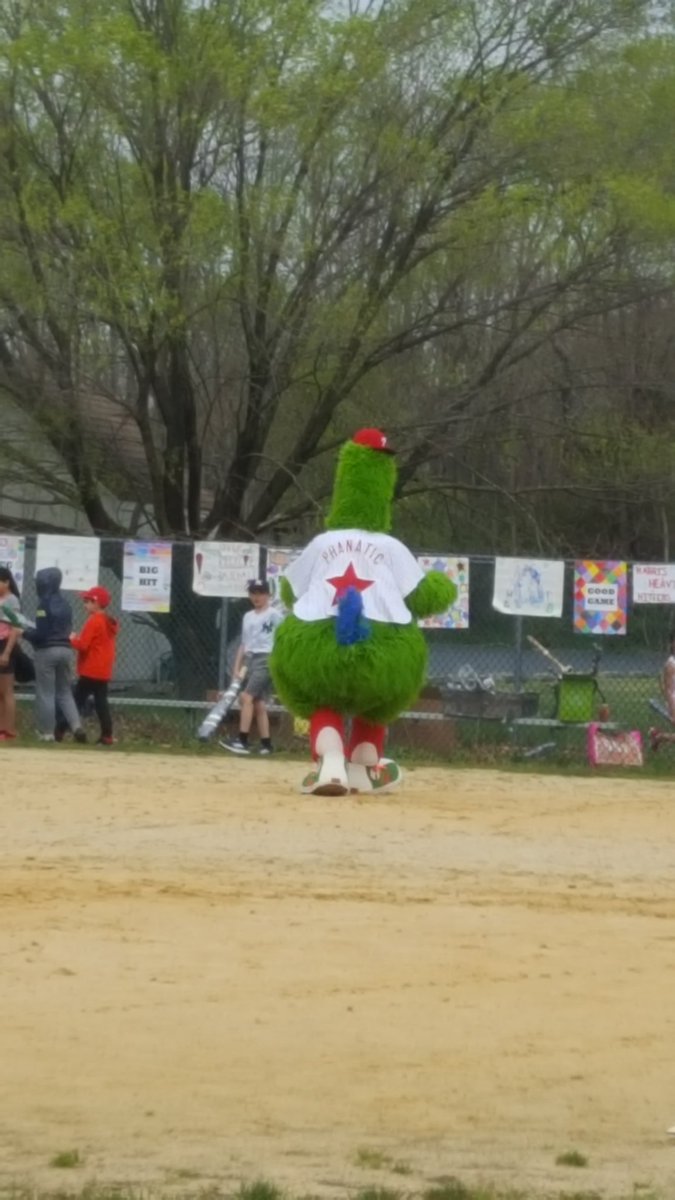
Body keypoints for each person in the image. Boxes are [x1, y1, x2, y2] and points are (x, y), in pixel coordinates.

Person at [221, 579, 284, 756]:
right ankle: (266, 744)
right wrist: (237, 665)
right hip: (251, 659)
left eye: (260, 593)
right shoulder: (248, 616)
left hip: (267, 658)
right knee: (258, 702)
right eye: (253, 593)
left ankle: (242, 740)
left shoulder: (275, 615)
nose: (257, 597)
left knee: (246, 697)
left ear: (268, 595)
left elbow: (283, 637)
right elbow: (244, 644)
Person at [23, 567, 86, 743]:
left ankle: (47, 733)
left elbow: (41, 634)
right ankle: (76, 726)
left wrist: (25, 633)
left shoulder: (43, 605)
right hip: (66, 650)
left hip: (47, 651)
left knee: (46, 693)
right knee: (65, 692)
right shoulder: (66, 604)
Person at [56, 585, 119, 746]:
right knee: (101, 703)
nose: (85, 604)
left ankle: (60, 729)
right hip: (103, 669)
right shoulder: (106, 620)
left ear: (96, 603)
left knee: (76, 700)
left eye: (88, 601)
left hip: (91, 669)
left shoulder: (95, 620)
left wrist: (71, 639)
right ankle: (107, 735)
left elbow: (83, 645)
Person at [0, 566, 22, 741]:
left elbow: (15, 628)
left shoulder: (12, 600)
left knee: (6, 690)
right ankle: (2, 728)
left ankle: (9, 730)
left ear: (6, 582)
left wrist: (6, 652)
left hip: (5, 644)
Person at [649, 633, 675, 751]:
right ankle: (659, 737)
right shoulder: (671, 664)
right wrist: (672, 708)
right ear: (671, 644)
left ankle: (659, 737)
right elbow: (668, 689)